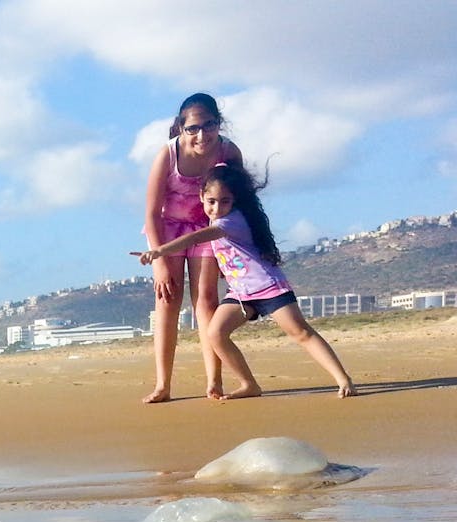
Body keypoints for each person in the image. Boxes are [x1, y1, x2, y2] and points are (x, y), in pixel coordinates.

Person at [133, 163, 356, 399]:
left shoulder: (231, 221)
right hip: (241, 293)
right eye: (211, 201)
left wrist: (160, 251)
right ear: (201, 196)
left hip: (268, 287)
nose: (217, 208)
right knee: (215, 334)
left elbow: (199, 237)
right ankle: (249, 384)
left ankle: (343, 379)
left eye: (225, 201)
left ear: (234, 201)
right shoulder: (218, 218)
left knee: (300, 332)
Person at [141, 93, 244, 403]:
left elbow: (243, 205)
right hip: (168, 230)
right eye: (193, 128)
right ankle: (163, 385)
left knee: (207, 301)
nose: (202, 135)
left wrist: (236, 253)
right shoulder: (168, 156)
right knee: (167, 301)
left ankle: (214, 381)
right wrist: (158, 260)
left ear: (218, 123)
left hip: (209, 231)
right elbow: (151, 211)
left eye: (209, 125)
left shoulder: (229, 152)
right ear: (181, 129)